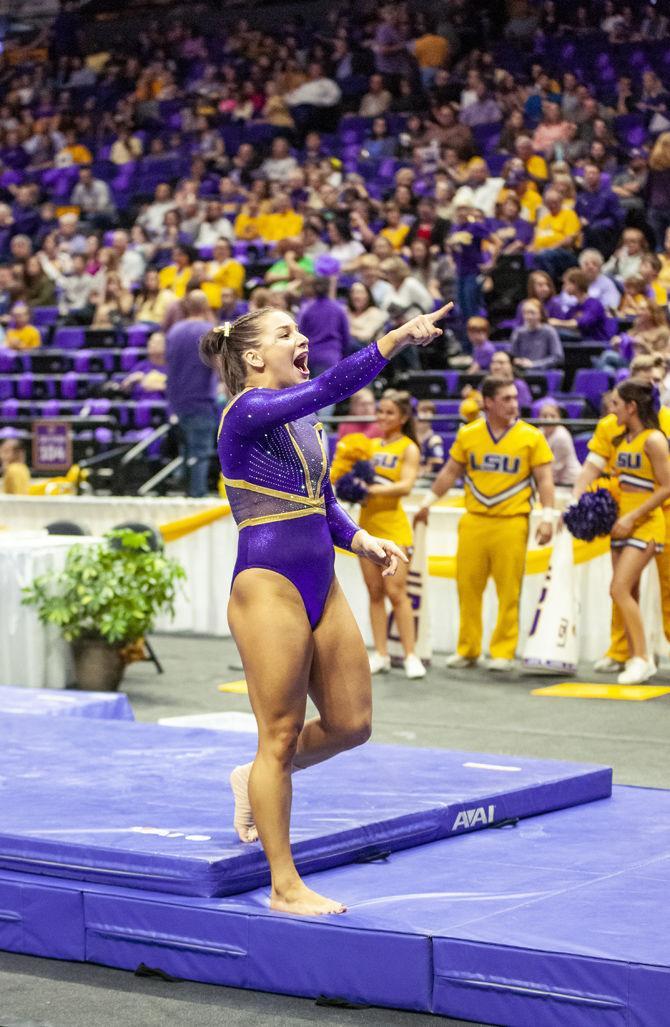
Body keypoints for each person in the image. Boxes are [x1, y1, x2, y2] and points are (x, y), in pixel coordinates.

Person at [200, 301, 451, 917]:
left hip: (321, 578)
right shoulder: (247, 410)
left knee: (352, 723)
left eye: (299, 328)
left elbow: (322, 499)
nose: (301, 336)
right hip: (268, 585)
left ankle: (250, 778)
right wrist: (393, 339)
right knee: (279, 735)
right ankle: (285, 886)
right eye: (285, 333)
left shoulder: (306, 425)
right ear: (254, 356)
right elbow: (333, 384)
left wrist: (362, 539)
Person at [415, 375, 554, 671]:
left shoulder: (531, 436)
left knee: (508, 591)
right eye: (506, 398)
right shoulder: (469, 434)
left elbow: (545, 480)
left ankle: (503, 651)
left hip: (512, 521)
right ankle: (468, 649)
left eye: (515, 398)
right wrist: (427, 503)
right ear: (488, 402)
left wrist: (547, 517)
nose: (514, 404)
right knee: (468, 588)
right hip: (474, 520)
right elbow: (450, 472)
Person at [573, 354, 670, 675]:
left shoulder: (654, 439)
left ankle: (643, 659)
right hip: (621, 522)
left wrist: (632, 517)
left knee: (618, 587)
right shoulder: (620, 437)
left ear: (632, 406)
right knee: (626, 590)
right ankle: (632, 655)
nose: (610, 409)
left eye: (616, 404)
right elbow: (593, 469)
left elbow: (667, 486)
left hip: (646, 523)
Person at [357, 390, 425, 680]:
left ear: (403, 417)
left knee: (397, 593)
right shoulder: (368, 445)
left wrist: (369, 490)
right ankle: (381, 654)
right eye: (380, 411)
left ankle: (411, 655)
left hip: (394, 527)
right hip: (367, 525)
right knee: (374, 593)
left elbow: (406, 486)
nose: (382, 417)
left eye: (389, 413)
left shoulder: (409, 447)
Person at [166, 291, 218, 497]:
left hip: (177, 399)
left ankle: (184, 493)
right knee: (200, 452)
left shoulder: (174, 331)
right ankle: (197, 496)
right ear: (205, 308)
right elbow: (218, 362)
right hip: (201, 399)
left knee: (186, 451)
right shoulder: (208, 330)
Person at [511, 299, 563, 370]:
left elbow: (558, 357)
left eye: (532, 313)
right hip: (523, 372)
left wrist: (533, 364)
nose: (528, 316)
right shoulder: (518, 332)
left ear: (540, 315)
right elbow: (513, 356)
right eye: (525, 313)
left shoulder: (549, 331)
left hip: (543, 374)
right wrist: (518, 361)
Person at [539, 400, 580, 486]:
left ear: (559, 418)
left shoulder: (561, 436)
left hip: (570, 484)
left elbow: (555, 469)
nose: (548, 420)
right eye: (544, 416)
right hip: (554, 481)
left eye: (553, 416)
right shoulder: (540, 432)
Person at [416, 399, 446, 479]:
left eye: (429, 412)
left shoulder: (434, 439)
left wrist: (425, 471)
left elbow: (438, 460)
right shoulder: (410, 436)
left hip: (426, 478)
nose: (425, 415)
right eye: (422, 411)